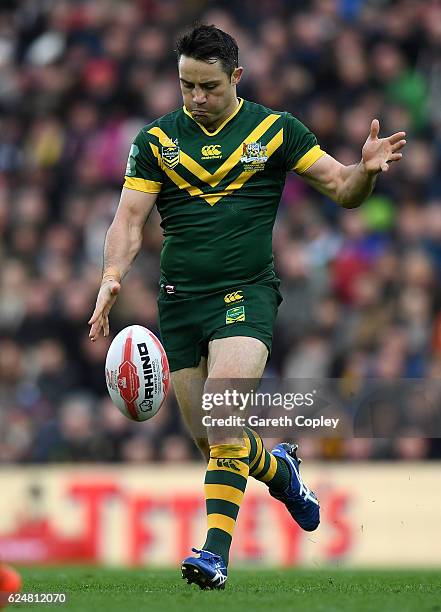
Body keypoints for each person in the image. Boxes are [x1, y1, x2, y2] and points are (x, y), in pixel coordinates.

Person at [88, 24, 406, 589]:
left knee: (224, 415)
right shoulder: (157, 140)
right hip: (179, 305)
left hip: (245, 295)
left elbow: (341, 186)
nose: (196, 99)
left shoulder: (275, 130)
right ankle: (280, 469)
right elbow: (129, 220)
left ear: (236, 76)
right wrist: (112, 277)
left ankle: (213, 554)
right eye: (186, 85)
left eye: (208, 86)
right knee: (212, 442)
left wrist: (366, 174)